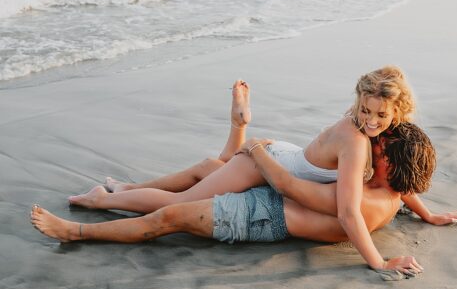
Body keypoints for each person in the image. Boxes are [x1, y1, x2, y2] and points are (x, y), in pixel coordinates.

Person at [63, 67, 424, 273]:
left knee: (211, 168)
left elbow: (395, 180)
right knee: (182, 200)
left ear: (397, 111)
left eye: (380, 114)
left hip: (288, 160)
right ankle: (100, 200)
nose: (371, 120)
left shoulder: (379, 130)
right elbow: (347, 212)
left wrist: (428, 213)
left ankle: (126, 189)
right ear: (358, 102)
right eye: (365, 110)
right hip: (266, 164)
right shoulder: (356, 141)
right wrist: (379, 263)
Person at [31, 122, 457, 277]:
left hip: (263, 216)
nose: (371, 146)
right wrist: (429, 215)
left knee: (170, 217)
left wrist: (258, 151)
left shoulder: (364, 201)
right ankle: (118, 193)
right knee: (209, 167)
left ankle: (76, 232)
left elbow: (292, 189)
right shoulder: (393, 189)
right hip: (269, 198)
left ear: (391, 165)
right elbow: (407, 193)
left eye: (380, 147)